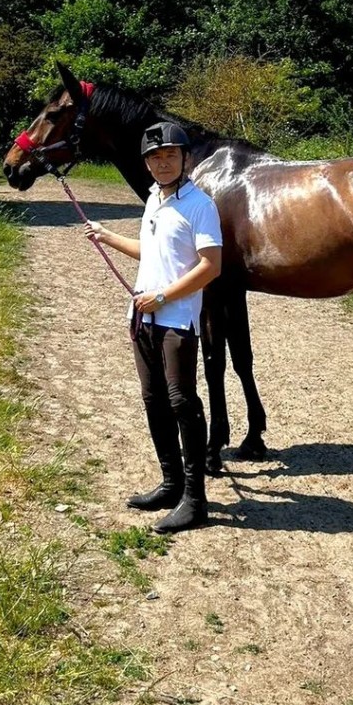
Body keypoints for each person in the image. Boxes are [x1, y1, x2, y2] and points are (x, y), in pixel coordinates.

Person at [85, 121, 222, 533]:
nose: (162, 163)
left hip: (176, 320)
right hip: (143, 317)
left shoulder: (200, 205)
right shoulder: (153, 200)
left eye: (170, 156)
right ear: (146, 164)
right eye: (155, 157)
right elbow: (151, 253)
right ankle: (170, 483)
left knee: (182, 401)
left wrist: (163, 297)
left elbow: (210, 266)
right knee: (153, 400)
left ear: (184, 160)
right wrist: (108, 237)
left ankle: (196, 501)